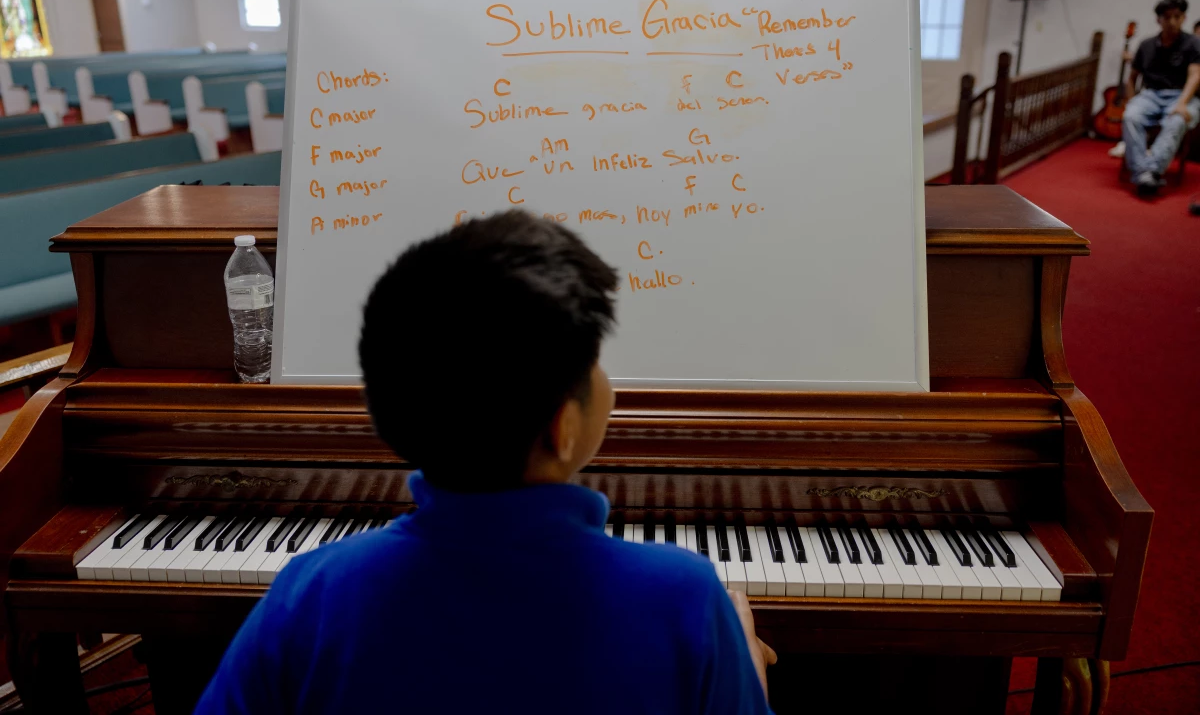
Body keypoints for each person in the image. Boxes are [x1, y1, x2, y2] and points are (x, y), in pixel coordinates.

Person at [196, 210, 777, 714]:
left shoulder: (313, 593)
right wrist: (745, 667)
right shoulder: (683, 598)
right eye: (594, 363)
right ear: (563, 424)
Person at [1121, 0, 1200, 195]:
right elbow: (1131, 78)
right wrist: (1131, 101)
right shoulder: (1147, 45)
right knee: (1131, 116)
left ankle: (1149, 172)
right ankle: (1145, 174)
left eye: (1177, 16)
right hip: (1151, 95)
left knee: (1177, 120)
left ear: (1184, 18)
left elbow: (1195, 76)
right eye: (1167, 17)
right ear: (1159, 20)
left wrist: (1182, 103)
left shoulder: (1193, 43)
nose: (1172, 21)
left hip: (1181, 95)